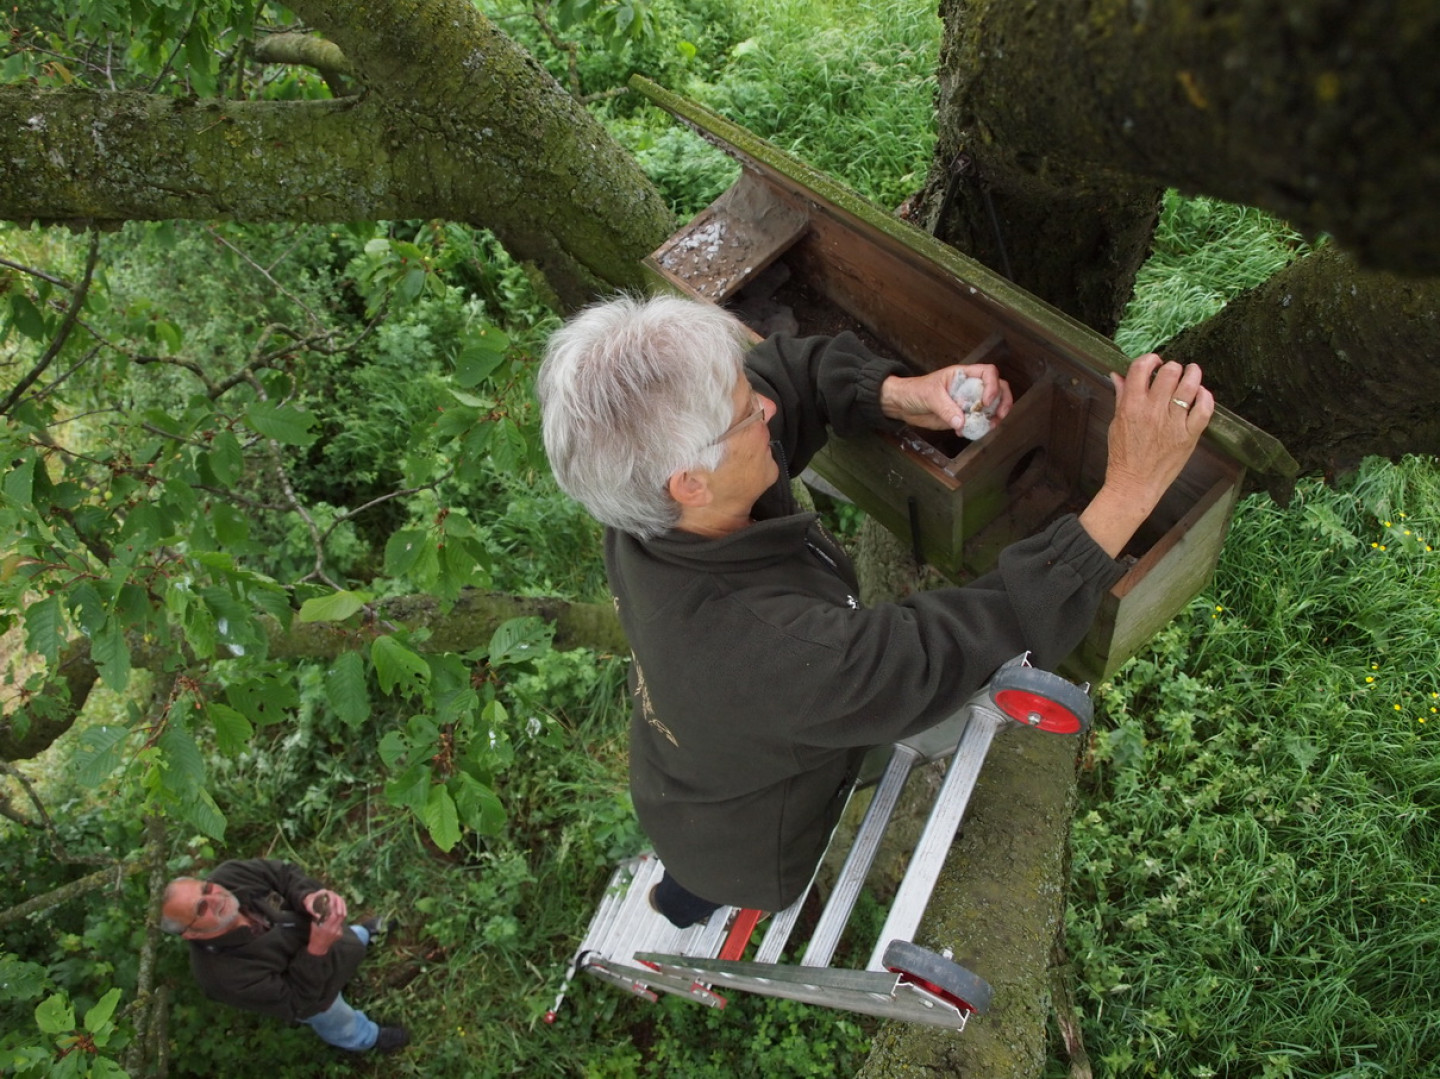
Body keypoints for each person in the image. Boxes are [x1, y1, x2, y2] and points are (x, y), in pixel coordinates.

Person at [536, 293, 1213, 927]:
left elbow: (784, 377)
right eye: (746, 415)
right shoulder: (769, 656)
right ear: (689, 481)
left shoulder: (647, 507)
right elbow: (947, 652)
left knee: (701, 821)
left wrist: (902, 396)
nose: (764, 411)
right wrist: (1130, 490)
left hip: (680, 773)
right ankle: (687, 898)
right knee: (702, 884)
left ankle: (679, 888)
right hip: (746, 844)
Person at [160, 858, 408, 1054]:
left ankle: (363, 935)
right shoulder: (219, 976)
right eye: (201, 909)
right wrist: (318, 948)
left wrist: (308, 896)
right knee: (339, 1021)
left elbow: (282, 873)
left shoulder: (229, 876)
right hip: (320, 997)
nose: (216, 898)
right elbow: (296, 1001)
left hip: (331, 940)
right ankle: (368, 1038)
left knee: (348, 938)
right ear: (190, 933)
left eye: (206, 888)